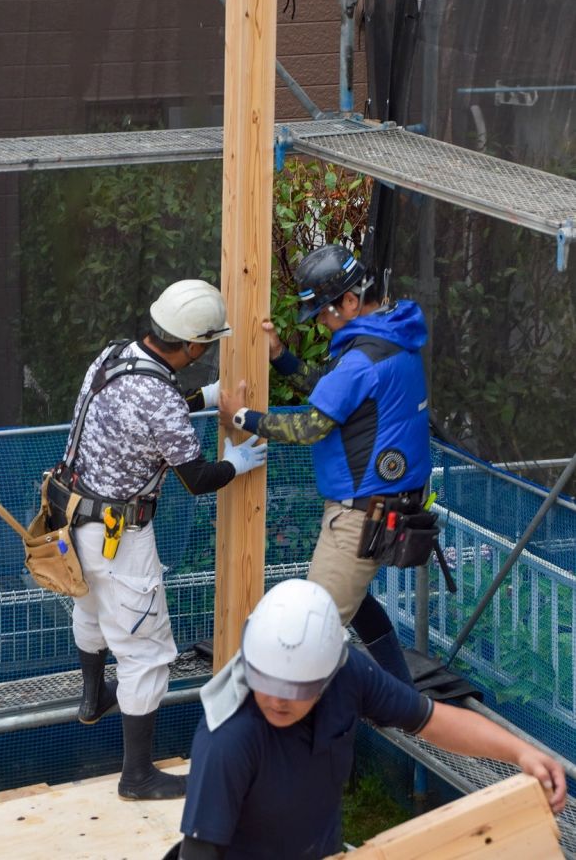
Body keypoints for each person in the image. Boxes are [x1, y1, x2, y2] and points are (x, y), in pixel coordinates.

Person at [52, 279, 267, 801]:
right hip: (118, 536)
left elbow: (143, 411)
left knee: (90, 608)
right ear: (194, 346)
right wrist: (234, 465)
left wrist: (203, 397)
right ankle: (138, 776)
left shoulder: (115, 356)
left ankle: (91, 698)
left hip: (68, 517)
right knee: (145, 653)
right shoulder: (161, 401)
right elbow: (196, 478)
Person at [167, 579, 566, 859]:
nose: (277, 700)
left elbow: (433, 720)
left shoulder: (349, 674)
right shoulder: (228, 738)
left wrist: (520, 752)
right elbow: (202, 850)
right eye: (265, 683)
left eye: (297, 690)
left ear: (328, 676)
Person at [220, 244, 431, 685]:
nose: (320, 321)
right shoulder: (392, 339)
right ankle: (405, 695)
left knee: (314, 630)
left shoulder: (361, 360)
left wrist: (242, 418)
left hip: (361, 514)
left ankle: (337, 728)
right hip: (385, 506)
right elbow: (333, 391)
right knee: (357, 604)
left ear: (351, 301)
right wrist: (281, 357)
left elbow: (312, 426)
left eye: (323, 312)